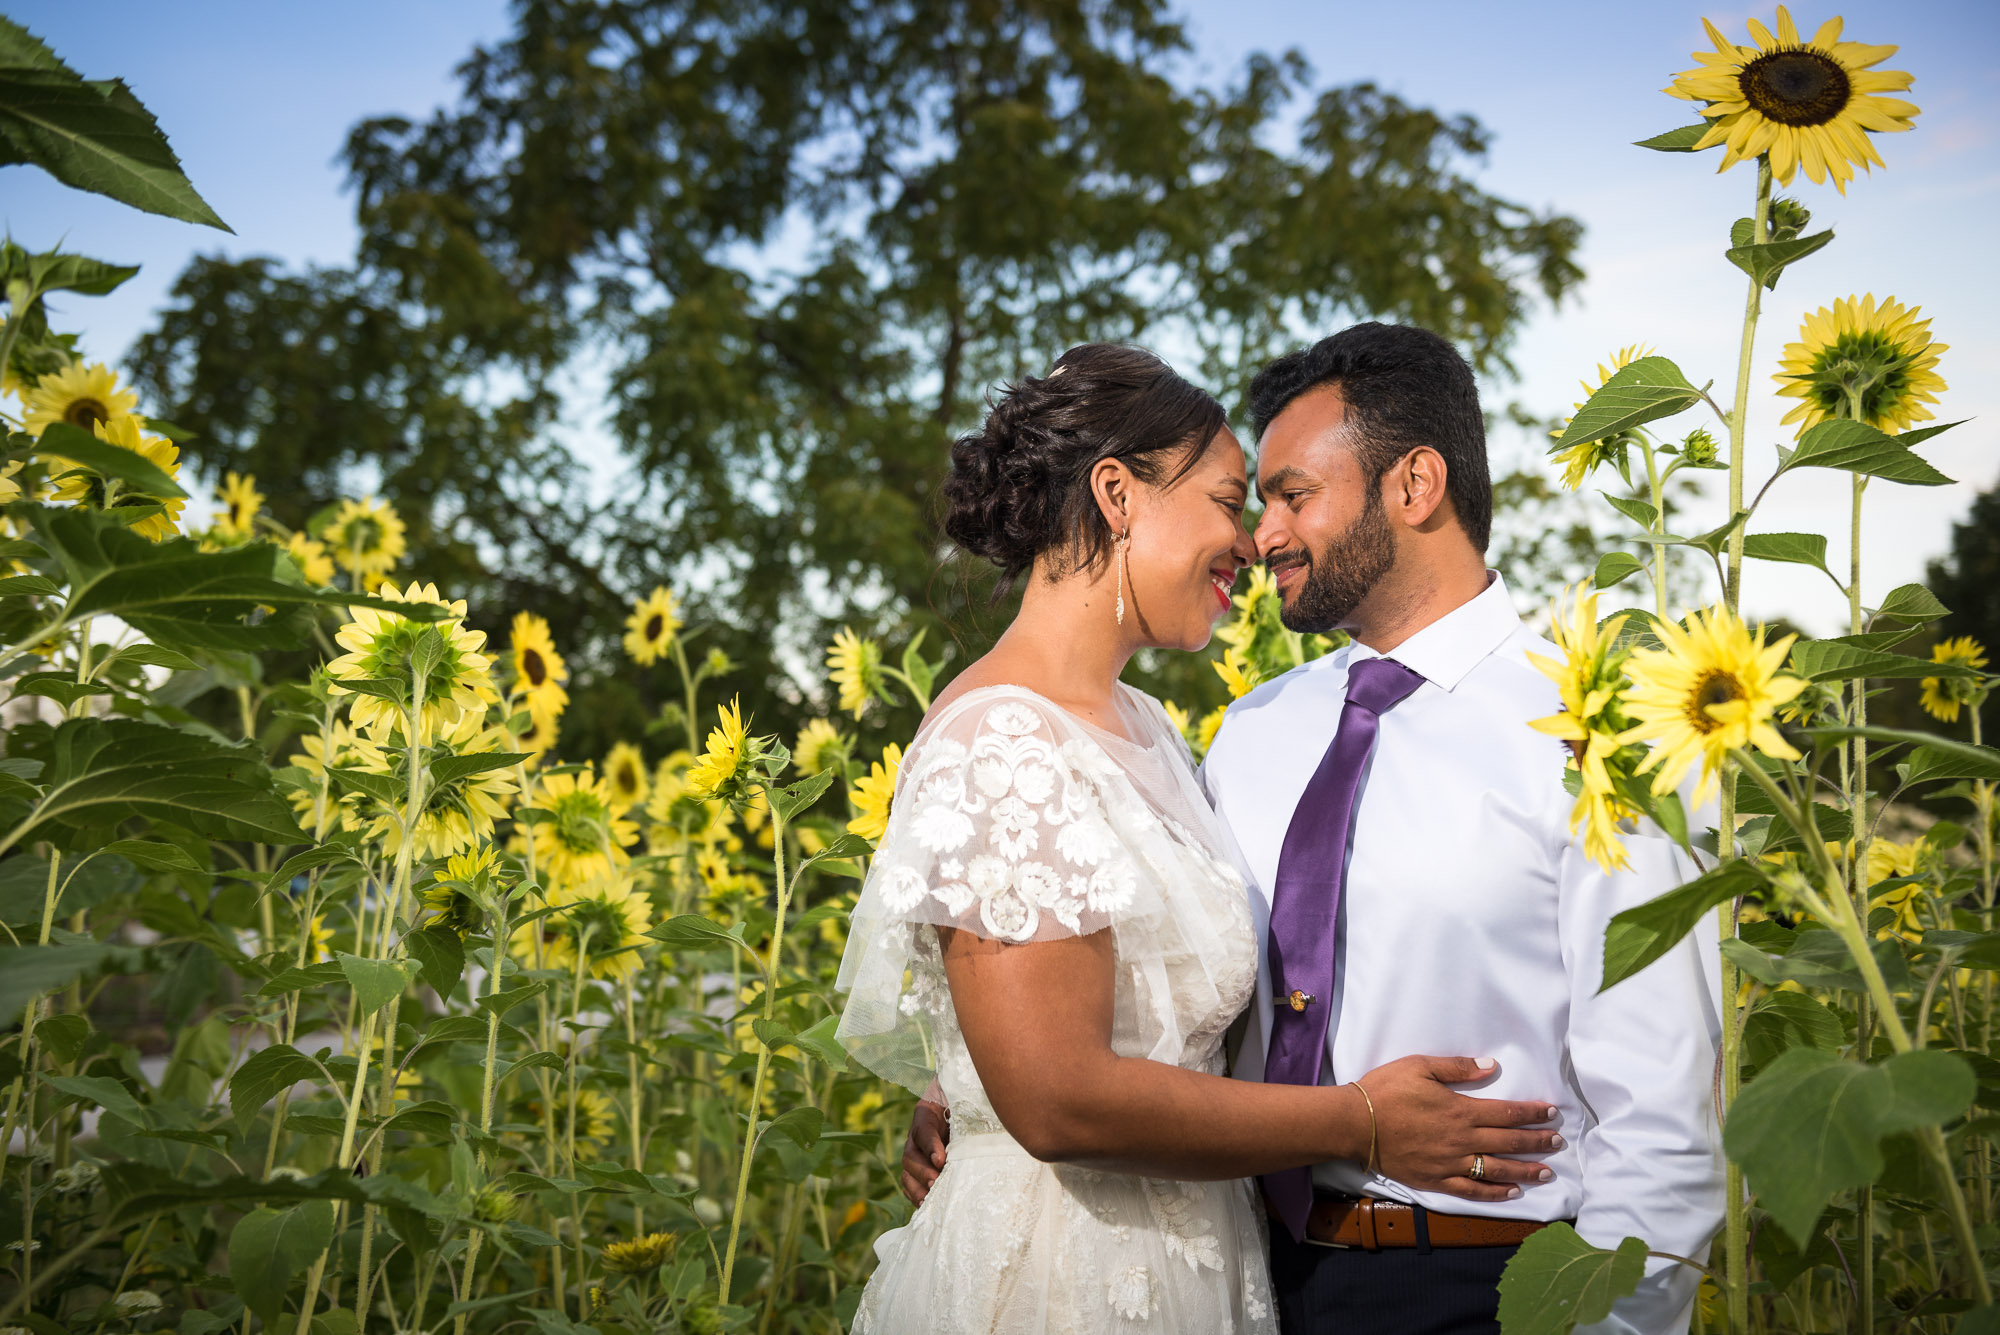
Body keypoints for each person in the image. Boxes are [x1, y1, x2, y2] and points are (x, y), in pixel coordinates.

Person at [898, 325, 1725, 1334]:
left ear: (1412, 485)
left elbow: (1663, 1123)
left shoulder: (1598, 732)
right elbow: (1149, 973)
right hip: (1246, 1270)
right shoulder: (1250, 733)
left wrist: (1618, 1323)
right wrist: (980, 1076)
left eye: (1292, 495)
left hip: (1484, 1284)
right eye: (1248, 503)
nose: (1262, 537)